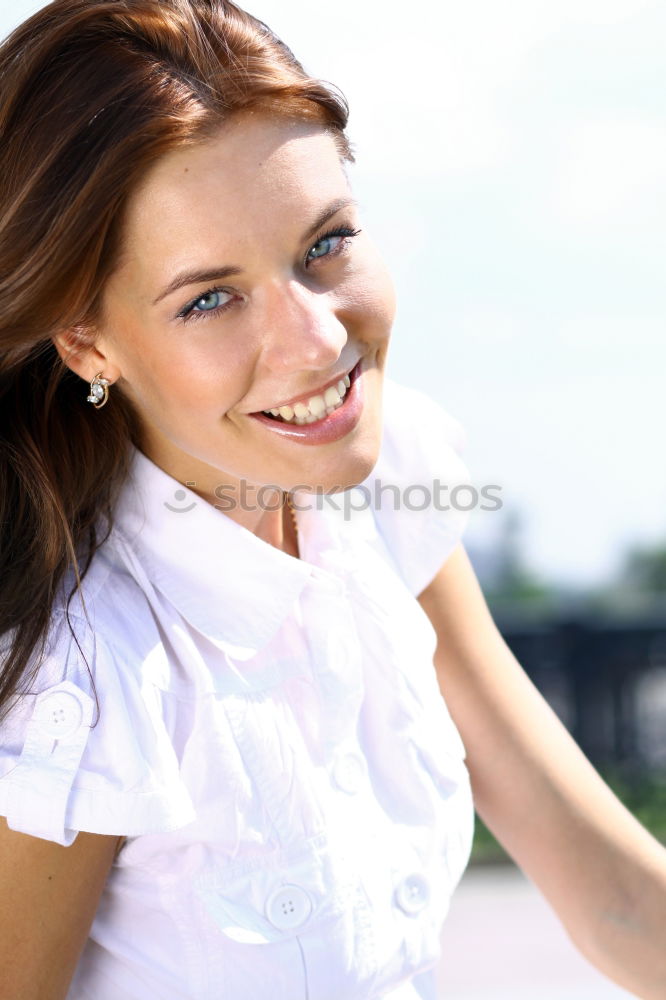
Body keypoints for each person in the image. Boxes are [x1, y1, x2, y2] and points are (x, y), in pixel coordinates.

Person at [0, 1, 664, 998]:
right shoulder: (85, 676)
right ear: (88, 340)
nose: (318, 343)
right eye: (210, 298)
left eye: (326, 244)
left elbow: (607, 883)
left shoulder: (382, 477)